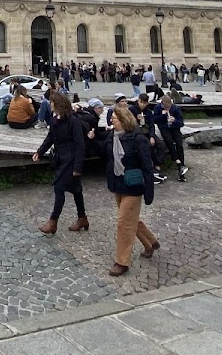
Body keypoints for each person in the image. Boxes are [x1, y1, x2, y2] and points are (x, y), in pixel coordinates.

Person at [90, 106, 159, 276]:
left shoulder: (138, 139)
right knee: (130, 218)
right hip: (117, 183)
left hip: (133, 186)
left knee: (123, 223)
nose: (111, 120)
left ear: (123, 120)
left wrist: (149, 191)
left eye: (114, 118)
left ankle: (122, 262)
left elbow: (147, 166)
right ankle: (151, 242)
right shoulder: (113, 136)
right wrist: (92, 139)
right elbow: (103, 153)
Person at [34, 91, 88, 234]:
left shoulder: (73, 122)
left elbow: (80, 145)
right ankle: (82, 218)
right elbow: (50, 137)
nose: (50, 105)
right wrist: (39, 152)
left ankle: (53, 221)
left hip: (71, 160)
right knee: (76, 190)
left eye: (52, 103)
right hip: (60, 159)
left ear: (58, 104)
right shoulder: (55, 120)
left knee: (59, 188)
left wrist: (78, 167)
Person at [152, 95, 187, 181]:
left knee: (179, 144)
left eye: (169, 107)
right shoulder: (157, 108)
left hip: (175, 128)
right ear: (162, 104)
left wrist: (174, 121)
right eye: (166, 107)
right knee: (169, 141)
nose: (168, 109)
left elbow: (181, 123)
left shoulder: (176, 108)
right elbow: (154, 120)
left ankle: (181, 165)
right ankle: (177, 161)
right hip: (164, 128)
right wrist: (162, 115)